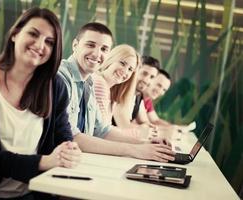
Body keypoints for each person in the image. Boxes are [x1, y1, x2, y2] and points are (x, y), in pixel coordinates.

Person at [0, 7, 81, 200]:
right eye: (33, 33)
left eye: (50, 42)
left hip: (33, 193)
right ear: (15, 34)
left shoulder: (55, 87)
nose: (40, 45)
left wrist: (69, 150)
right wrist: (43, 162)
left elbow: (63, 135)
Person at [58, 22, 175, 162]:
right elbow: (72, 136)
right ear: (75, 45)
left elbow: (102, 130)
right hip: (54, 166)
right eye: (90, 45)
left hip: (76, 160)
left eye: (104, 49)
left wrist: (145, 144)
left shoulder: (88, 83)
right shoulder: (62, 77)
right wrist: (135, 150)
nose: (97, 54)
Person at [113, 55, 160, 128]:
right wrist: (146, 130)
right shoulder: (120, 92)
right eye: (144, 73)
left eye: (152, 77)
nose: (146, 80)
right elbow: (125, 127)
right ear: (134, 71)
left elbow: (144, 122)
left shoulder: (138, 96)